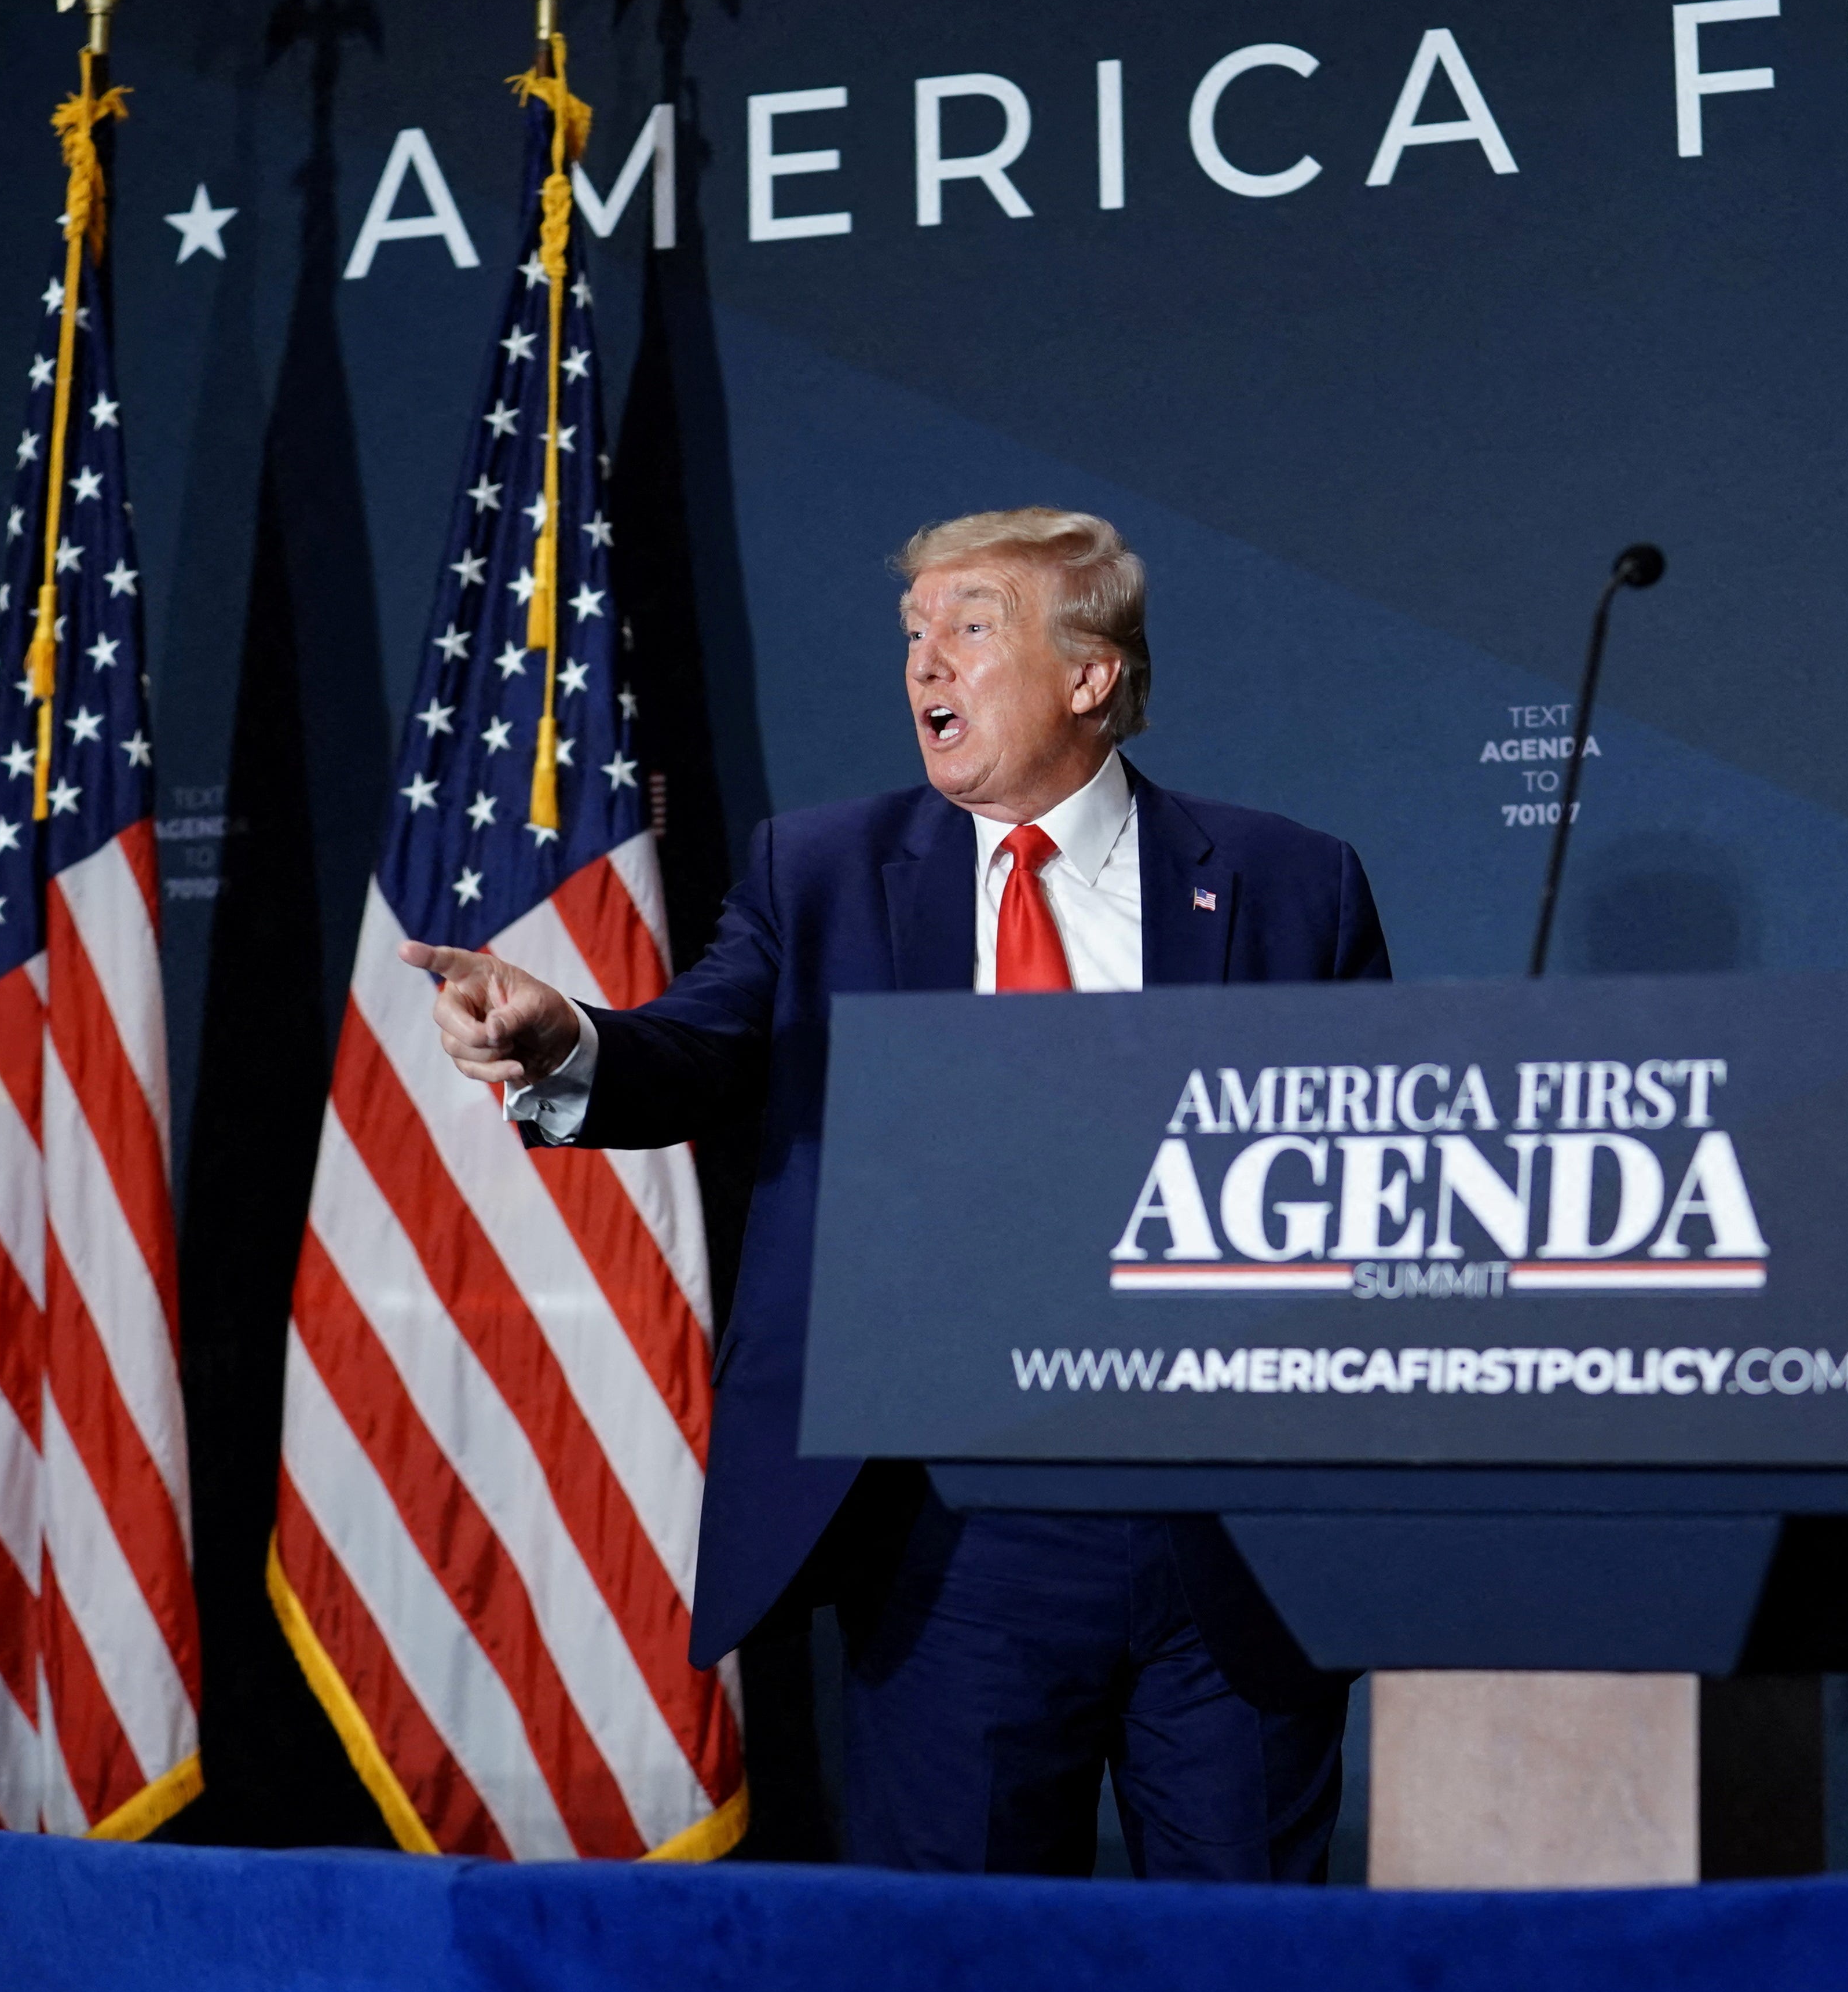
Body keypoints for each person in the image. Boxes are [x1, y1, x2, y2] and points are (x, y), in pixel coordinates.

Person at [402, 507, 1389, 1878]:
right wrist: (565, 1036)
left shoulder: (1291, 882)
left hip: (1228, 1533)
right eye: (913, 635)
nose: (927, 664)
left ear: (1091, 673)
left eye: (972, 629)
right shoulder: (823, 874)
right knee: (961, 1985)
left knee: (1247, 1986)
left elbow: (1368, 1164)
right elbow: (696, 1049)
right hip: (955, 1533)